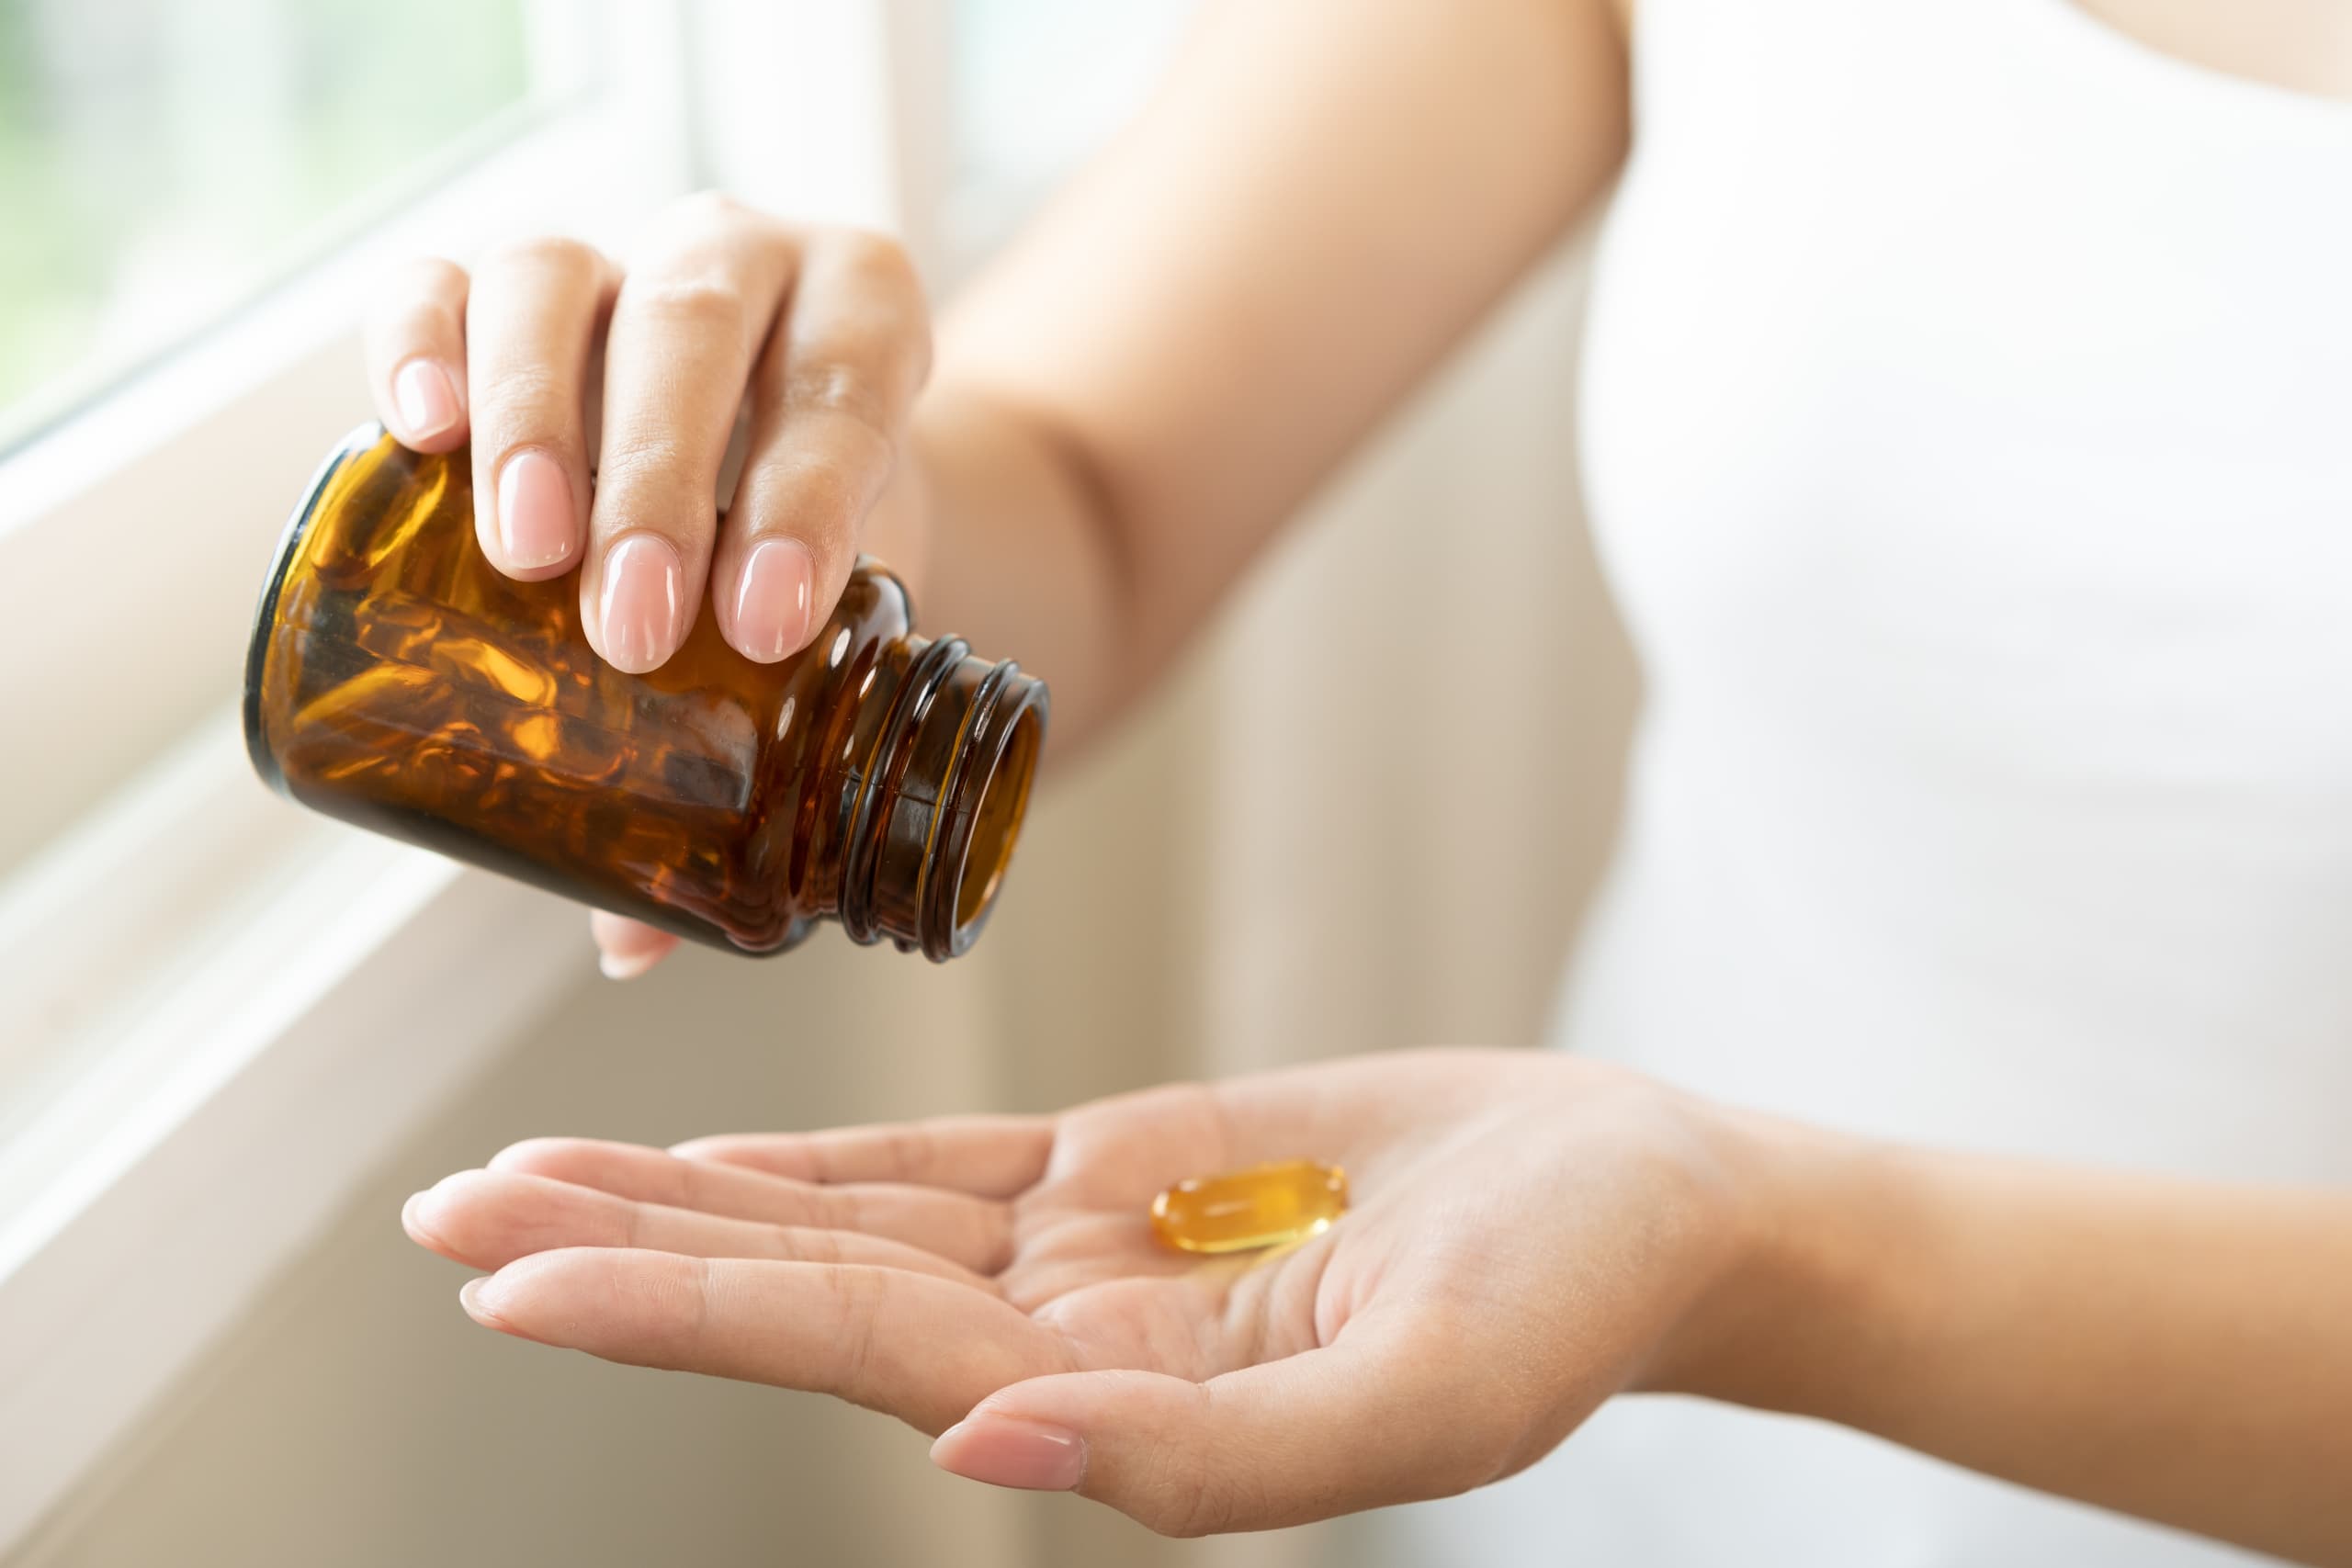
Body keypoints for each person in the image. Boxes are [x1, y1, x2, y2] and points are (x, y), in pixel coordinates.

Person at [380, 1, 2352, 1561]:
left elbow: (1740, 1251)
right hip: (1621, 1492)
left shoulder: (1707, 1243)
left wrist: (1762, 1253)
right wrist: (791, 498)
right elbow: (1094, 486)